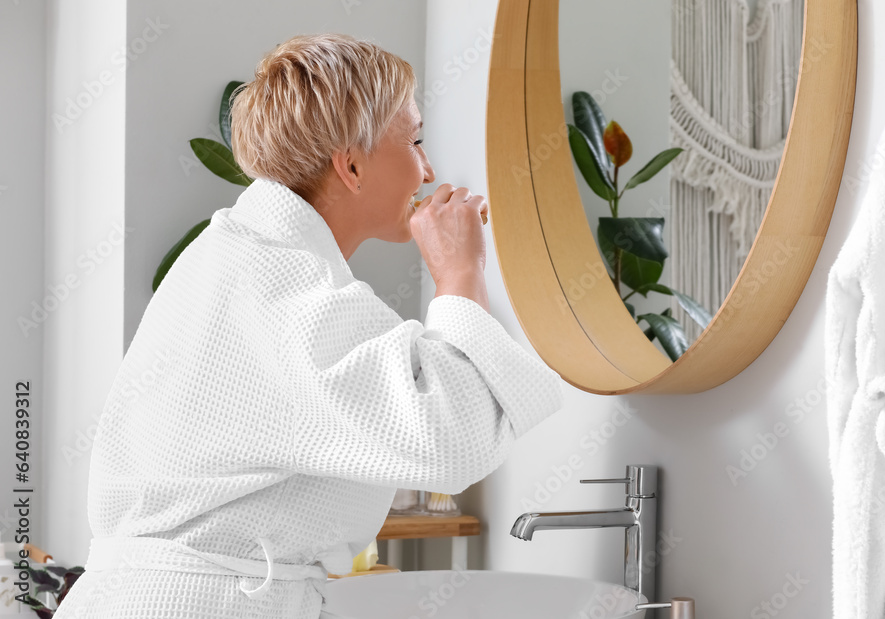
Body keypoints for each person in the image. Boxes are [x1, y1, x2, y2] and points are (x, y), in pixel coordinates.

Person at [54, 33, 564, 618]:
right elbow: (447, 441)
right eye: (416, 140)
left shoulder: (245, 257)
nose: (428, 168)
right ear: (350, 164)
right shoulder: (278, 282)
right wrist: (458, 273)